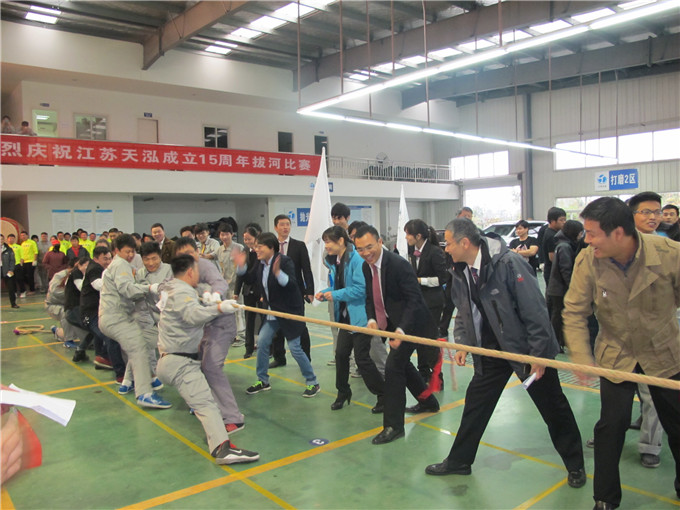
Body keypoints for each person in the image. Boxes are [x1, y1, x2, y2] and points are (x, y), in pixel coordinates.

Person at [425, 218, 586, 488]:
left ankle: (575, 465)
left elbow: (535, 312)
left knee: (553, 407)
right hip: (491, 351)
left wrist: (538, 355)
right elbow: (463, 308)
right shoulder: (460, 268)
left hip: (524, 350)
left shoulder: (509, 263)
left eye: (449, 243)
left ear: (465, 243)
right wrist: (464, 341)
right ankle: (460, 461)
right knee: (476, 404)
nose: (446, 249)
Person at [563, 197, 680, 509]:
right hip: (616, 353)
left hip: (665, 353)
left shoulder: (670, 255)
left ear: (618, 233)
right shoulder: (588, 260)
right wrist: (581, 355)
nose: (586, 240)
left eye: (592, 233)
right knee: (609, 427)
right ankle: (605, 498)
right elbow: (574, 312)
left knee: (678, 425)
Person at [157, 254, 259, 465]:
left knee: (204, 402)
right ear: (190, 272)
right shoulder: (182, 290)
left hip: (170, 359)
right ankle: (223, 449)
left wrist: (205, 298)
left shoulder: (170, 287)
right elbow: (192, 315)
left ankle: (222, 446)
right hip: (180, 362)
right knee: (206, 405)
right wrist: (219, 308)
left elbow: (185, 307)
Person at [354, 225, 440, 445]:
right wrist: (372, 318)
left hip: (414, 323)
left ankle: (393, 425)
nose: (366, 252)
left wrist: (401, 330)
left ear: (380, 242)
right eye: (360, 249)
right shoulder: (367, 266)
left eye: (369, 247)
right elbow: (370, 296)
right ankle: (428, 401)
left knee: (393, 368)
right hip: (392, 321)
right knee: (402, 364)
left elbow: (415, 301)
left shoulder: (399, 265)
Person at [235, 232, 320, 397]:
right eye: (256, 246)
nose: (256, 249)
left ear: (271, 247)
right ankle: (263, 380)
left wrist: (278, 273)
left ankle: (312, 382)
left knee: (295, 348)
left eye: (260, 247)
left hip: (290, 312)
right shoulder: (260, 263)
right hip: (273, 312)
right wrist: (241, 266)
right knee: (263, 343)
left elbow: (292, 284)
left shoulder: (285, 261)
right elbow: (251, 278)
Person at [174, 237, 246, 432]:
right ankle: (205, 403)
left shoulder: (203, 266)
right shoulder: (179, 271)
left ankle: (233, 417)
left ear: (196, 252)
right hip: (200, 326)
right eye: (182, 256)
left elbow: (220, 283)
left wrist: (214, 294)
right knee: (194, 364)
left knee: (212, 366)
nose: (188, 259)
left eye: (190, 254)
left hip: (221, 324)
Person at [316, 226, 385, 412]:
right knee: (340, 355)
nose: (326, 246)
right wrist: (325, 292)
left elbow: (360, 289)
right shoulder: (336, 262)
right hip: (346, 317)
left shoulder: (355, 259)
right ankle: (343, 392)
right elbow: (339, 286)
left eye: (328, 242)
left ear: (341, 241)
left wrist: (335, 295)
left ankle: (383, 394)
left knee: (362, 359)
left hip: (361, 317)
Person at [100, 234, 170, 409]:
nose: (131, 255)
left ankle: (139, 380)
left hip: (121, 317)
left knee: (142, 342)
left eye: (133, 252)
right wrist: (149, 288)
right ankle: (144, 393)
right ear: (116, 251)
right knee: (138, 346)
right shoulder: (121, 265)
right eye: (127, 251)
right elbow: (128, 290)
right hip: (117, 318)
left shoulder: (167, 269)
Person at [627, 191, 670, 470]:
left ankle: (650, 445)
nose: (653, 217)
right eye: (646, 212)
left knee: (653, 392)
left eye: (657, 212)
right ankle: (610, 432)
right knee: (615, 388)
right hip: (620, 332)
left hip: (655, 330)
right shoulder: (618, 244)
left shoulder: (667, 246)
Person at [404, 219, 448, 384]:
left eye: (409, 234)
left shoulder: (434, 252)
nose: (406, 237)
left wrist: (420, 280)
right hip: (417, 301)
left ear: (418, 236)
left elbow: (443, 278)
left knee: (429, 339)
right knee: (419, 339)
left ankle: (437, 375)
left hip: (433, 301)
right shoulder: (411, 250)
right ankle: (423, 373)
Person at [270, 215, 314, 367]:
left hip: (295, 293)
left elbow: (306, 269)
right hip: (276, 293)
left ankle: (306, 358)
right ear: (276, 227)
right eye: (282, 224)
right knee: (277, 327)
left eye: (288, 224)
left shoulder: (299, 245)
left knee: (300, 325)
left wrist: (310, 290)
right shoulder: (270, 245)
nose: (285, 227)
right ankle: (279, 358)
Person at [73, 245, 117, 372]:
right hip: (88, 313)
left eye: (110, 258)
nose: (108, 262)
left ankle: (101, 359)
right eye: (105, 259)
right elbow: (97, 285)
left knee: (98, 336)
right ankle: (116, 367)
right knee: (108, 336)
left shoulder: (99, 268)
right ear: (96, 259)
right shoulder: (95, 268)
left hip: (95, 311)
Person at [546, 220, 583, 352]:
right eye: (580, 233)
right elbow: (566, 269)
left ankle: (560, 341)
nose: (581, 236)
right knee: (557, 316)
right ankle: (556, 342)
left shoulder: (565, 245)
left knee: (558, 315)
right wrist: (572, 287)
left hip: (558, 288)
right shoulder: (565, 247)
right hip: (559, 289)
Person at [234, 225, 262, 359]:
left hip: (261, 291)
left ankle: (267, 347)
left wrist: (242, 269)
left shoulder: (261, 251)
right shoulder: (244, 251)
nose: (247, 242)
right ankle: (249, 348)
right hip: (247, 291)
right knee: (249, 320)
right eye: (245, 239)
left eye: (249, 239)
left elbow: (253, 274)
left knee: (265, 319)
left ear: (256, 237)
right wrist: (236, 291)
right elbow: (239, 275)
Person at [542, 207, 567, 291]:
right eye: (561, 220)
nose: (564, 222)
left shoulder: (555, 233)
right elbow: (552, 257)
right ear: (553, 221)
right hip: (552, 273)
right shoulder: (551, 235)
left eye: (565, 220)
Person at [1, 234, 19, 308]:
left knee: (11, 288)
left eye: (1, 239)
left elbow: (12, 260)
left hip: (7, 270)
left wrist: (11, 270)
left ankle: (13, 303)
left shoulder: (8, 249)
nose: (0, 241)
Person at [19, 231, 38, 296]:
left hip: (31, 261)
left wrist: (34, 260)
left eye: (24, 235)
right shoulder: (22, 244)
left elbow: (35, 251)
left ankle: (32, 290)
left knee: (30, 276)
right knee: (22, 276)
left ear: (27, 235)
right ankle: (32, 285)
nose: (23, 237)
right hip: (24, 262)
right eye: (21, 236)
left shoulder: (32, 242)